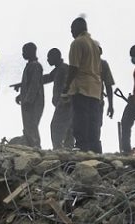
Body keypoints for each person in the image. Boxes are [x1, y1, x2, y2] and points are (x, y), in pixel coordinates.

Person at [64, 17, 102, 153]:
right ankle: (96, 150)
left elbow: (74, 67)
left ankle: (82, 148)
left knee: (80, 121)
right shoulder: (95, 45)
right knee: (93, 122)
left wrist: (66, 86)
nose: (71, 32)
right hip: (95, 89)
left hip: (82, 87)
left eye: (72, 29)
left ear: (77, 28)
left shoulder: (77, 43)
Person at [43, 48, 73, 149]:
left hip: (65, 103)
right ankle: (68, 149)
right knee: (68, 128)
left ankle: (58, 149)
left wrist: (64, 100)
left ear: (56, 57)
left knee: (55, 126)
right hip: (65, 104)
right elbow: (48, 78)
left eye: (49, 57)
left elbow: (68, 86)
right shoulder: (59, 69)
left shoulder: (63, 68)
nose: (48, 60)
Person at [16, 43, 44, 149]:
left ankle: (36, 147)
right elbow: (28, 85)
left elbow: (34, 85)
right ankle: (31, 147)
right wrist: (21, 96)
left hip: (34, 102)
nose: (23, 53)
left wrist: (28, 100)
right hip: (29, 101)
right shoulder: (30, 66)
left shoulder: (35, 66)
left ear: (32, 51)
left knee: (31, 126)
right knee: (28, 126)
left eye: (25, 51)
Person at [97, 50, 115, 154]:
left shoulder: (102, 64)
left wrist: (111, 105)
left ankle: (95, 153)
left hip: (97, 102)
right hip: (83, 102)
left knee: (96, 128)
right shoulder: (82, 62)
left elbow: (108, 85)